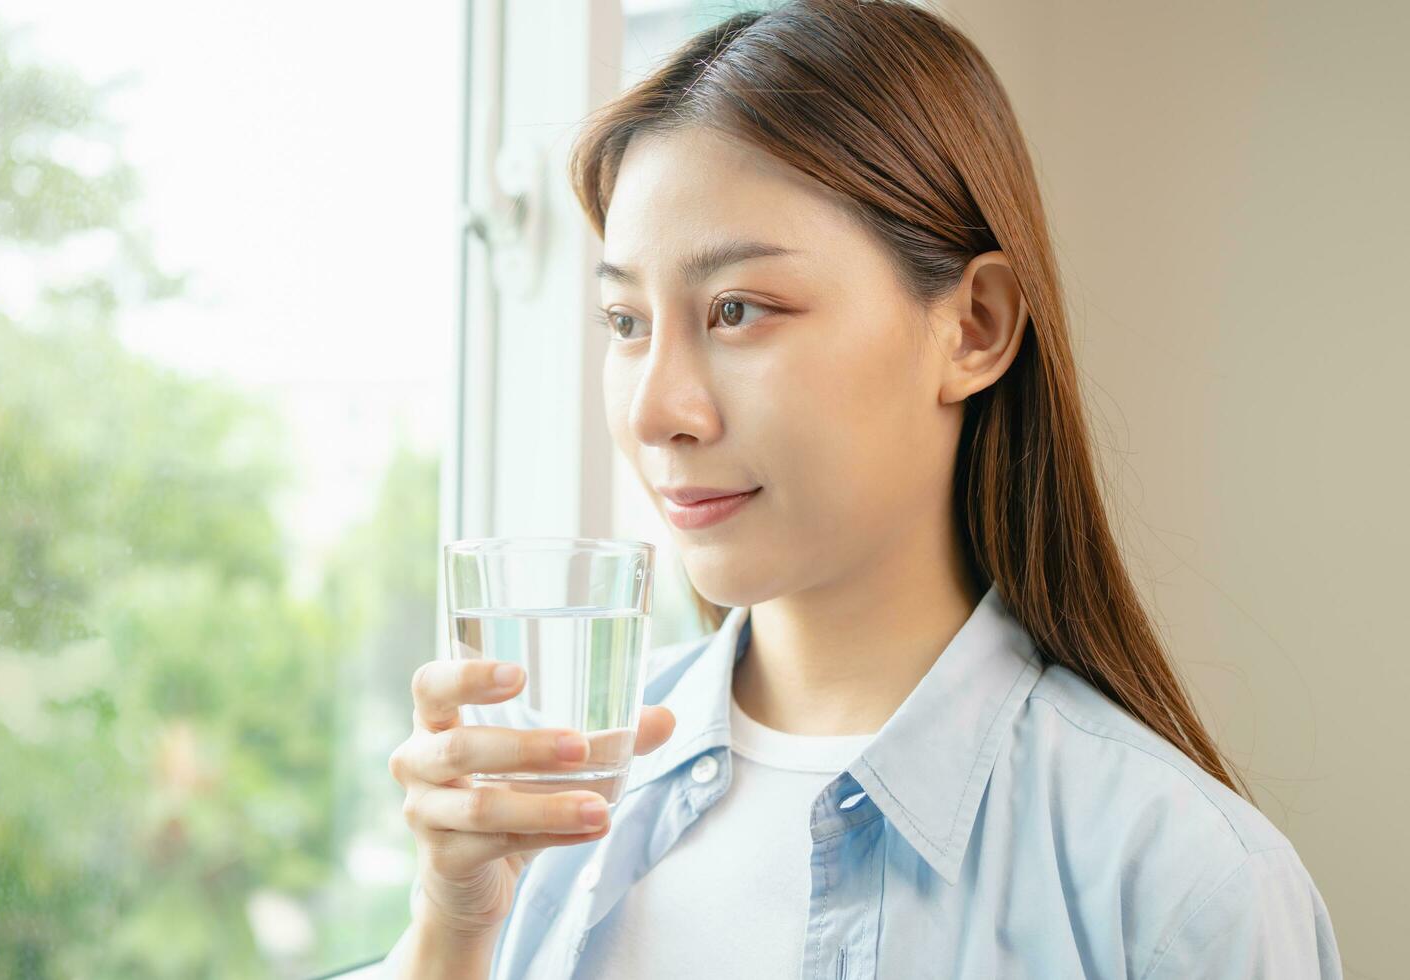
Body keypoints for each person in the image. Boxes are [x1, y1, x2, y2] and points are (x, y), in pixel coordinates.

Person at [382, 1, 1343, 977]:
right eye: (625, 321)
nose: (656, 409)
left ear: (973, 325)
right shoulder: (557, 794)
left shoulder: (1180, 886)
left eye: (738, 309)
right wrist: (451, 926)